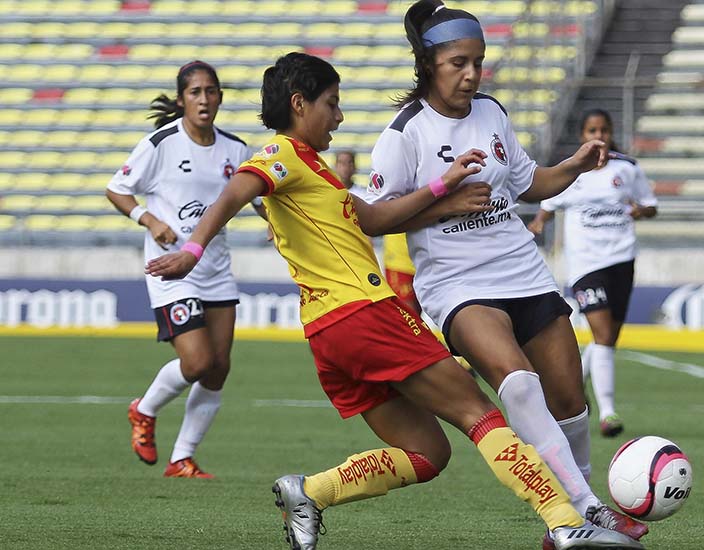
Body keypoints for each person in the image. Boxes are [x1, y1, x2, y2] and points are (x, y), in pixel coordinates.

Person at [144, 52, 641, 550]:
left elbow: (375, 219)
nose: (339, 116)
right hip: (364, 313)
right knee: (478, 412)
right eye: (331, 104)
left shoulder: (313, 170)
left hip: (327, 334)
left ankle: (311, 492)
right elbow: (237, 188)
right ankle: (563, 520)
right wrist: (192, 250)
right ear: (299, 104)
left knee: (427, 451)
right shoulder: (283, 155)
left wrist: (442, 188)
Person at [363, 2, 648, 548]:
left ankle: (570, 518)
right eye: (459, 63)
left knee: (571, 402)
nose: (472, 74)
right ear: (428, 64)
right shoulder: (404, 134)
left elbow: (528, 182)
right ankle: (585, 509)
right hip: (457, 284)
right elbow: (374, 218)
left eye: (478, 62)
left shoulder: (492, 111)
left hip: (523, 271)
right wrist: (444, 202)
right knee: (517, 383)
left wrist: (573, 166)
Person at [105, 60, 264, 478]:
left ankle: (182, 459)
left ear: (220, 98)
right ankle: (144, 409)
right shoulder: (160, 144)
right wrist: (148, 219)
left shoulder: (236, 149)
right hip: (171, 271)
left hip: (216, 270)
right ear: (181, 100)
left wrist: (276, 223)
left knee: (218, 368)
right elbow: (117, 189)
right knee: (196, 363)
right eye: (195, 92)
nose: (204, 100)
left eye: (211, 91)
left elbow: (259, 199)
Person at [527, 109, 658, 438]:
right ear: (582, 136)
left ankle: (577, 383)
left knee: (608, 339)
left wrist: (641, 210)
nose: (598, 135)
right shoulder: (572, 171)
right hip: (585, 266)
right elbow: (548, 204)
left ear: (611, 133)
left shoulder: (627, 168)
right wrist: (537, 224)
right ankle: (607, 413)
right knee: (601, 334)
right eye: (591, 130)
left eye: (603, 129)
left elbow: (650, 205)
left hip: (622, 259)